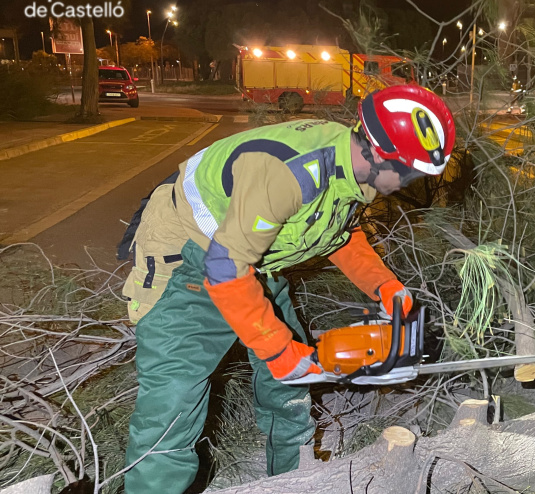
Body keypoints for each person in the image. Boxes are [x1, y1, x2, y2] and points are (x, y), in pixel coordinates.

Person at [121, 85, 456, 494]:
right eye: (409, 172)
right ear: (378, 151)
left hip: (253, 256)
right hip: (189, 253)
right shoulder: (289, 173)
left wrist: (388, 290)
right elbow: (225, 267)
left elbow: (341, 235)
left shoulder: (353, 171)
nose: (410, 182)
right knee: (173, 399)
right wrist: (278, 350)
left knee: (290, 383)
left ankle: (290, 481)